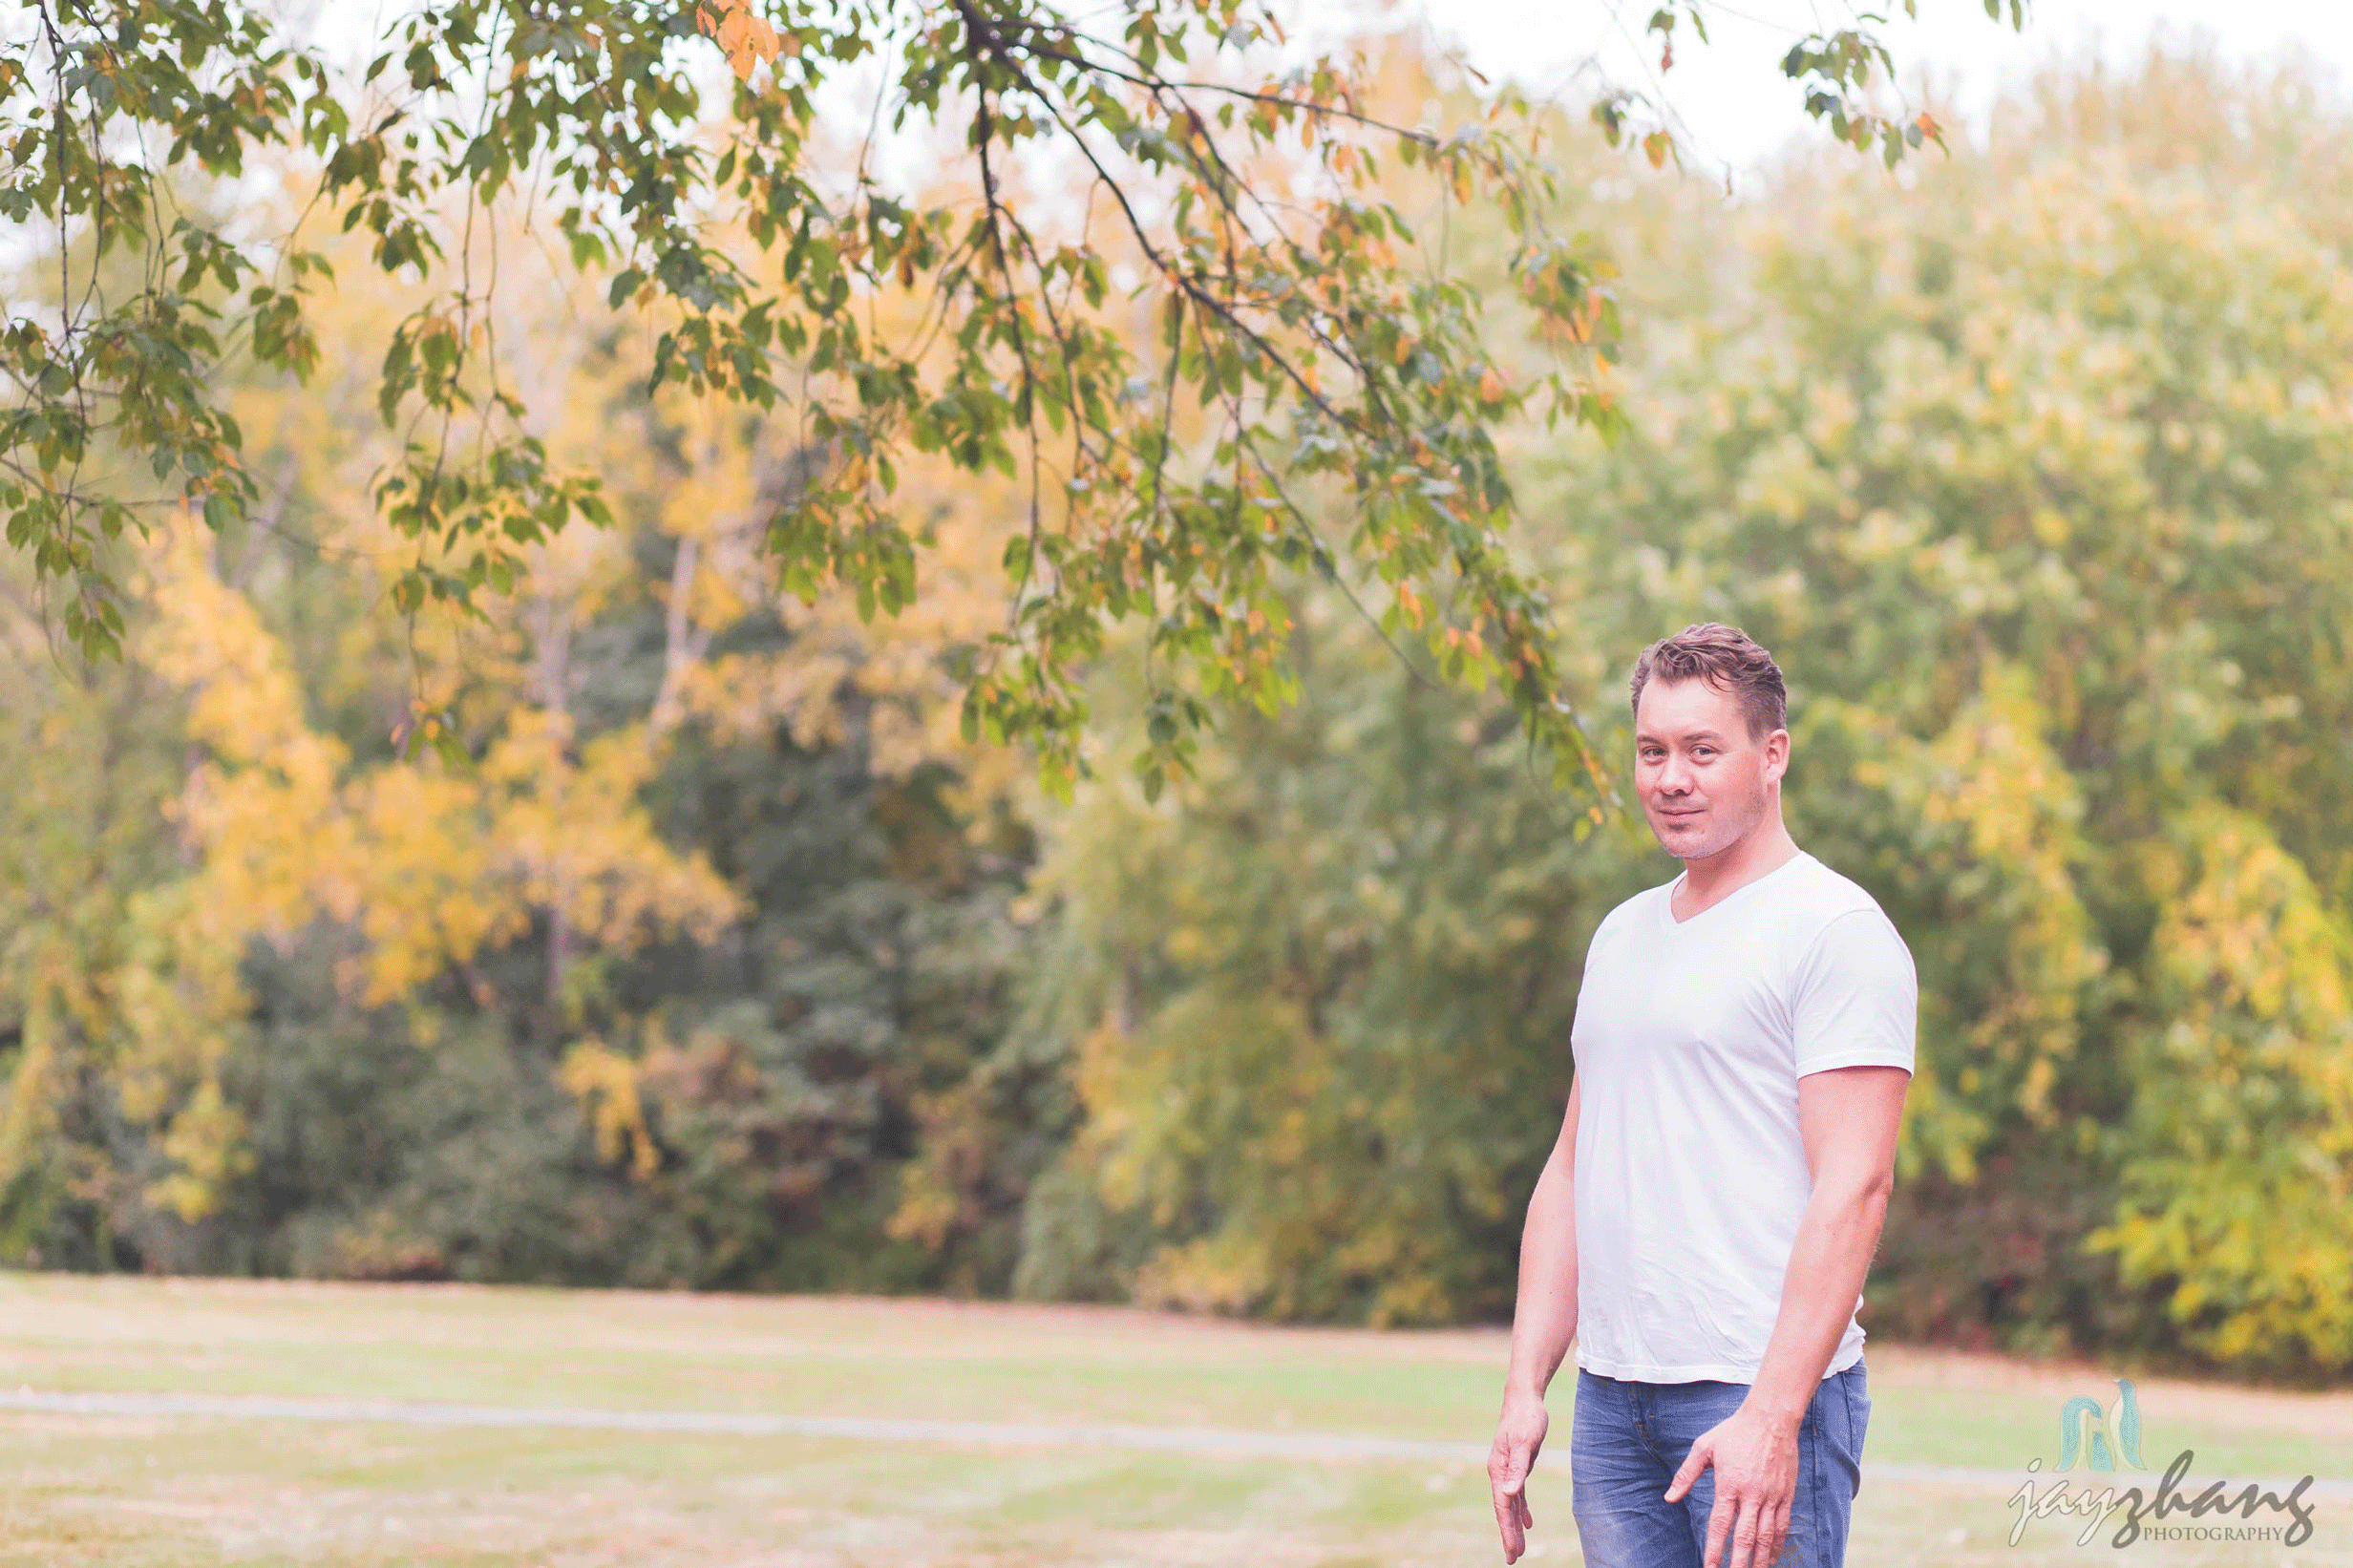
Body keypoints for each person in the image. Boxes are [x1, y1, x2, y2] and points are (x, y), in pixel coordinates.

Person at [1486, 624, 1916, 1568]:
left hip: (1755, 1395)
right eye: (1651, 751)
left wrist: (1772, 1414)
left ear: (1773, 755)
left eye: (1701, 750)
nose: (1670, 778)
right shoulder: (1620, 936)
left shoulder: (1834, 931)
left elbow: (1855, 1188)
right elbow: (1571, 1167)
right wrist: (1526, 1384)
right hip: (1612, 1403)